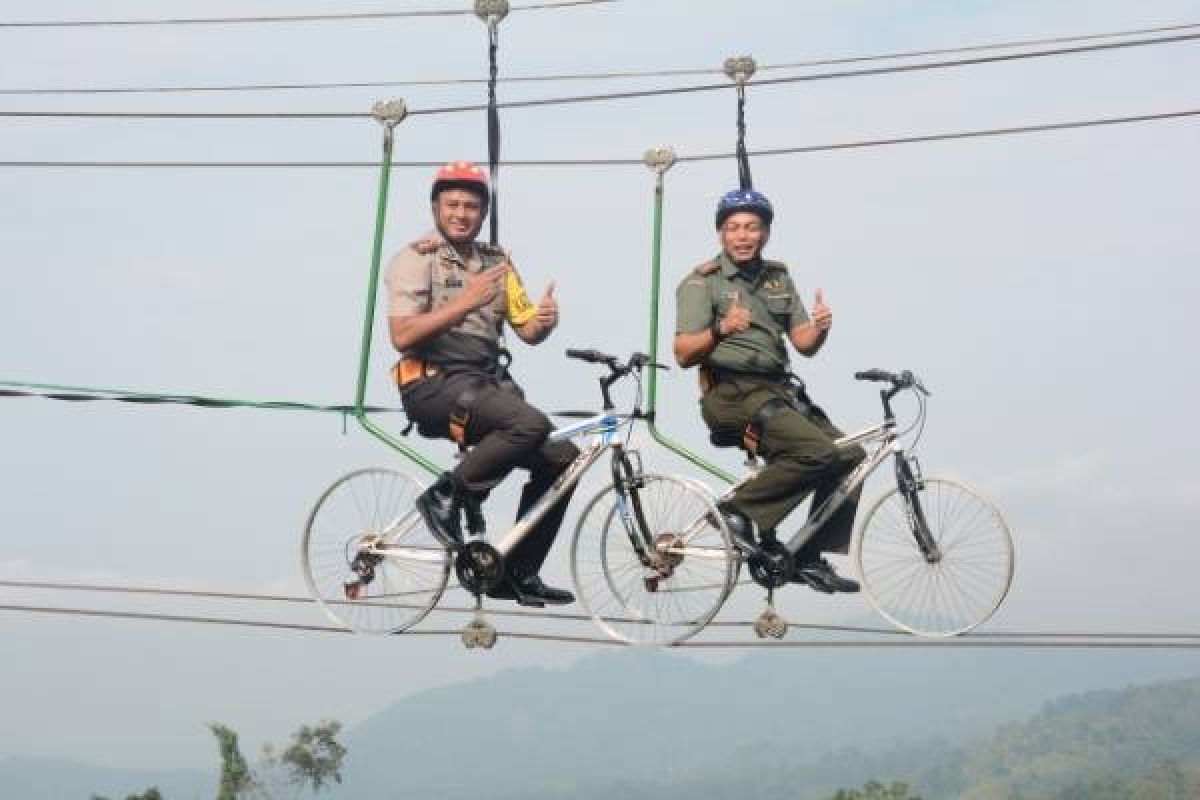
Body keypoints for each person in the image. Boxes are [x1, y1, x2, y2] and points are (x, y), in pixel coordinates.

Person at [383, 161, 577, 607]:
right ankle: (445, 495)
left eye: (471, 205)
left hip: (486, 385)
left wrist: (544, 321)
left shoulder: (497, 262)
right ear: (435, 207)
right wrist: (465, 302)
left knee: (563, 460)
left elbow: (526, 330)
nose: (461, 213)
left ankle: (517, 570)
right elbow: (402, 336)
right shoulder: (417, 259)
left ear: (484, 211)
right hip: (433, 386)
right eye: (452, 204)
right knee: (529, 423)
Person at [673, 188, 864, 594]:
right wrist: (722, 329)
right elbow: (683, 353)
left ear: (765, 233)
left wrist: (821, 328)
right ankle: (736, 512)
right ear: (721, 234)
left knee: (851, 455)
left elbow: (804, 343)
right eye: (734, 228)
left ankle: (808, 555)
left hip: (778, 390)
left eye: (751, 227)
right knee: (816, 451)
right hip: (731, 393)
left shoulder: (778, 278)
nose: (743, 236)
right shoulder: (700, 283)